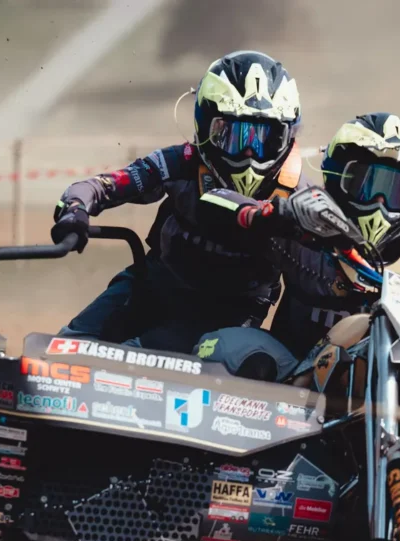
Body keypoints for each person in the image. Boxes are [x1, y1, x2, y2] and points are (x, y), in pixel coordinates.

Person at [194, 112, 400, 380]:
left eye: (397, 190)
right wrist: (267, 215)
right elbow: (215, 200)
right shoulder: (305, 222)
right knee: (224, 347)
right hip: (294, 380)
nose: (380, 205)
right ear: (336, 178)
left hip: (394, 384)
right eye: (368, 185)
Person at [50, 50, 307, 352]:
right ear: (204, 125)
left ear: (287, 138)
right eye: (233, 136)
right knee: (65, 350)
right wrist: (75, 211)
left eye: (264, 139)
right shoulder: (181, 161)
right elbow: (97, 187)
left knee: (136, 357)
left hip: (230, 317)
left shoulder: (300, 198)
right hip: (153, 287)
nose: (249, 153)